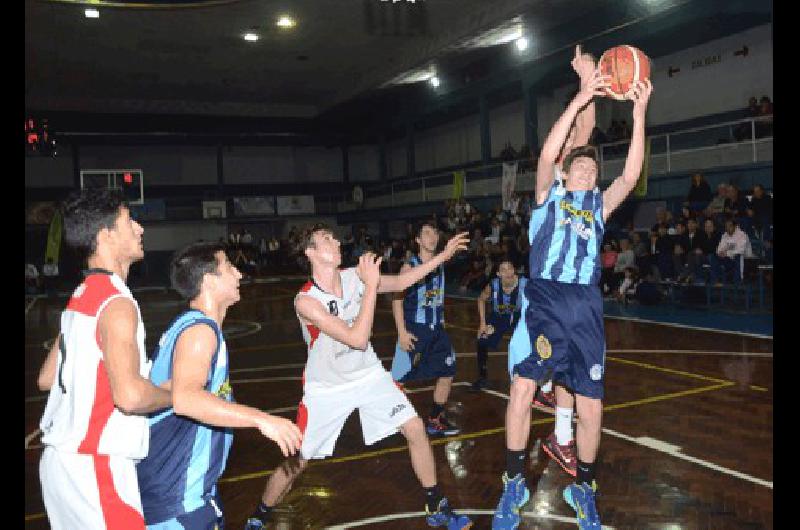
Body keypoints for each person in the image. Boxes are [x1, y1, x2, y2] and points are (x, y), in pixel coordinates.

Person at [492, 64, 652, 530]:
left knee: (592, 402)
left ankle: (584, 485)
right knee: (522, 388)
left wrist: (639, 113)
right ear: (565, 172)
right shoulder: (548, 196)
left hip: (585, 305)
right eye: (579, 165)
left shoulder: (599, 206)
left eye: (593, 167)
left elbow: (633, 172)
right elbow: (546, 153)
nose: (588, 169)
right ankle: (513, 482)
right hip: (543, 299)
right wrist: (582, 98)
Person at [246, 224, 472, 530]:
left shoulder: (354, 276)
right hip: (326, 387)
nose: (336, 241)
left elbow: (404, 280)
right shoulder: (306, 301)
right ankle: (260, 515)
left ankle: (436, 504)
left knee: (416, 428)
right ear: (311, 252)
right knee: (299, 459)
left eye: (334, 236)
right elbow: (357, 338)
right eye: (327, 239)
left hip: (368, 375)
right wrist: (369, 287)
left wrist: (443, 256)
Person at [136, 242, 302, 529]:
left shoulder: (193, 326)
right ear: (210, 281)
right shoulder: (200, 331)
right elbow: (186, 399)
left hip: (188, 491)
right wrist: (261, 420)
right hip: (176, 497)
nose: (238, 274)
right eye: (229, 267)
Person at [36, 189, 172, 529]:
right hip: (95, 466)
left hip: (61, 466)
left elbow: (47, 378)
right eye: (130, 222)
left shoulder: (81, 296)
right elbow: (129, 397)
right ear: (105, 235)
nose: (139, 229)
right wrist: (178, 393)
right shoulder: (116, 303)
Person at [391, 221, 463, 437]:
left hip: (437, 330)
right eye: (427, 233)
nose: (432, 237)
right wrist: (401, 332)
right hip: (414, 329)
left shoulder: (439, 264)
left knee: (448, 371)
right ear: (418, 241)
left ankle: (435, 419)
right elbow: (396, 300)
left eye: (435, 233)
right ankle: (392, 419)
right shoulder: (409, 267)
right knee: (398, 377)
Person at [469, 259, 527, 391]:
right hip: (498, 316)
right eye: (504, 270)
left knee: (526, 344)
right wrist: (483, 324)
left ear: (514, 270)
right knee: (482, 339)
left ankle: (529, 379)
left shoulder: (524, 284)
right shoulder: (493, 285)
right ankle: (482, 377)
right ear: (498, 274)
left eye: (510, 268)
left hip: (518, 316)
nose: (508, 272)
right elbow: (481, 299)